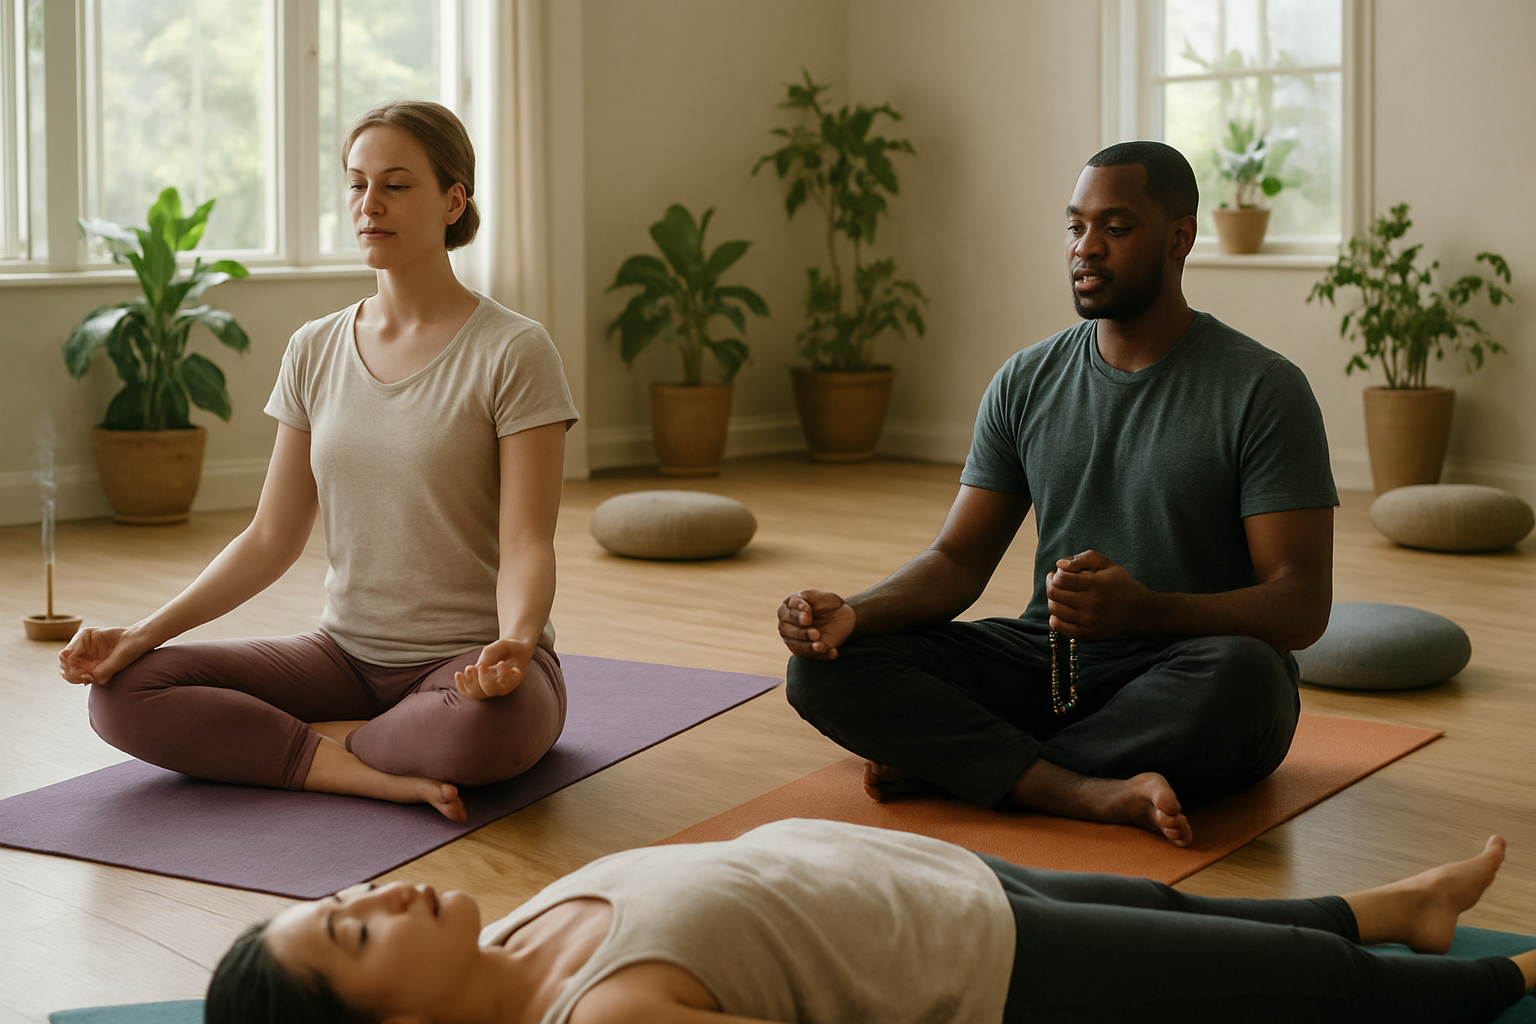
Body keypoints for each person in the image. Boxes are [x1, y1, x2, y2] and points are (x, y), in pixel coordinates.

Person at [777, 141, 1338, 847]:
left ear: (1179, 237)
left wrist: (1147, 611)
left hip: (1187, 668)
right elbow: (956, 561)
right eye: (1076, 227)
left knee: (1248, 678)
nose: (1087, 248)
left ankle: (970, 766)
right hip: (1049, 666)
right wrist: (851, 615)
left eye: (1116, 227)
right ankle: (1079, 789)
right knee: (823, 672)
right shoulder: (1025, 380)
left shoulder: (1262, 390)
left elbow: (1300, 604)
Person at [58, 100, 579, 822]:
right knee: (122, 695)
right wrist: (142, 634)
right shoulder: (314, 348)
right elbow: (271, 537)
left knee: (488, 726)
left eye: (396, 185)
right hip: (342, 657)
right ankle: (362, 762)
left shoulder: (515, 350)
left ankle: (308, 748)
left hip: (472, 669)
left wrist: (517, 644)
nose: (370, 205)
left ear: (453, 199)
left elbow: (528, 541)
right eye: (357, 184)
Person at [206, 819, 1535, 1024]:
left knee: (1167, 905)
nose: (376, 894)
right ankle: (1495, 984)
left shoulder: (521, 927)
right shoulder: (604, 1015)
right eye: (360, 937)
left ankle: (1399, 907)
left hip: (944, 885)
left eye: (346, 898)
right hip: (983, 967)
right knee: (1272, 987)